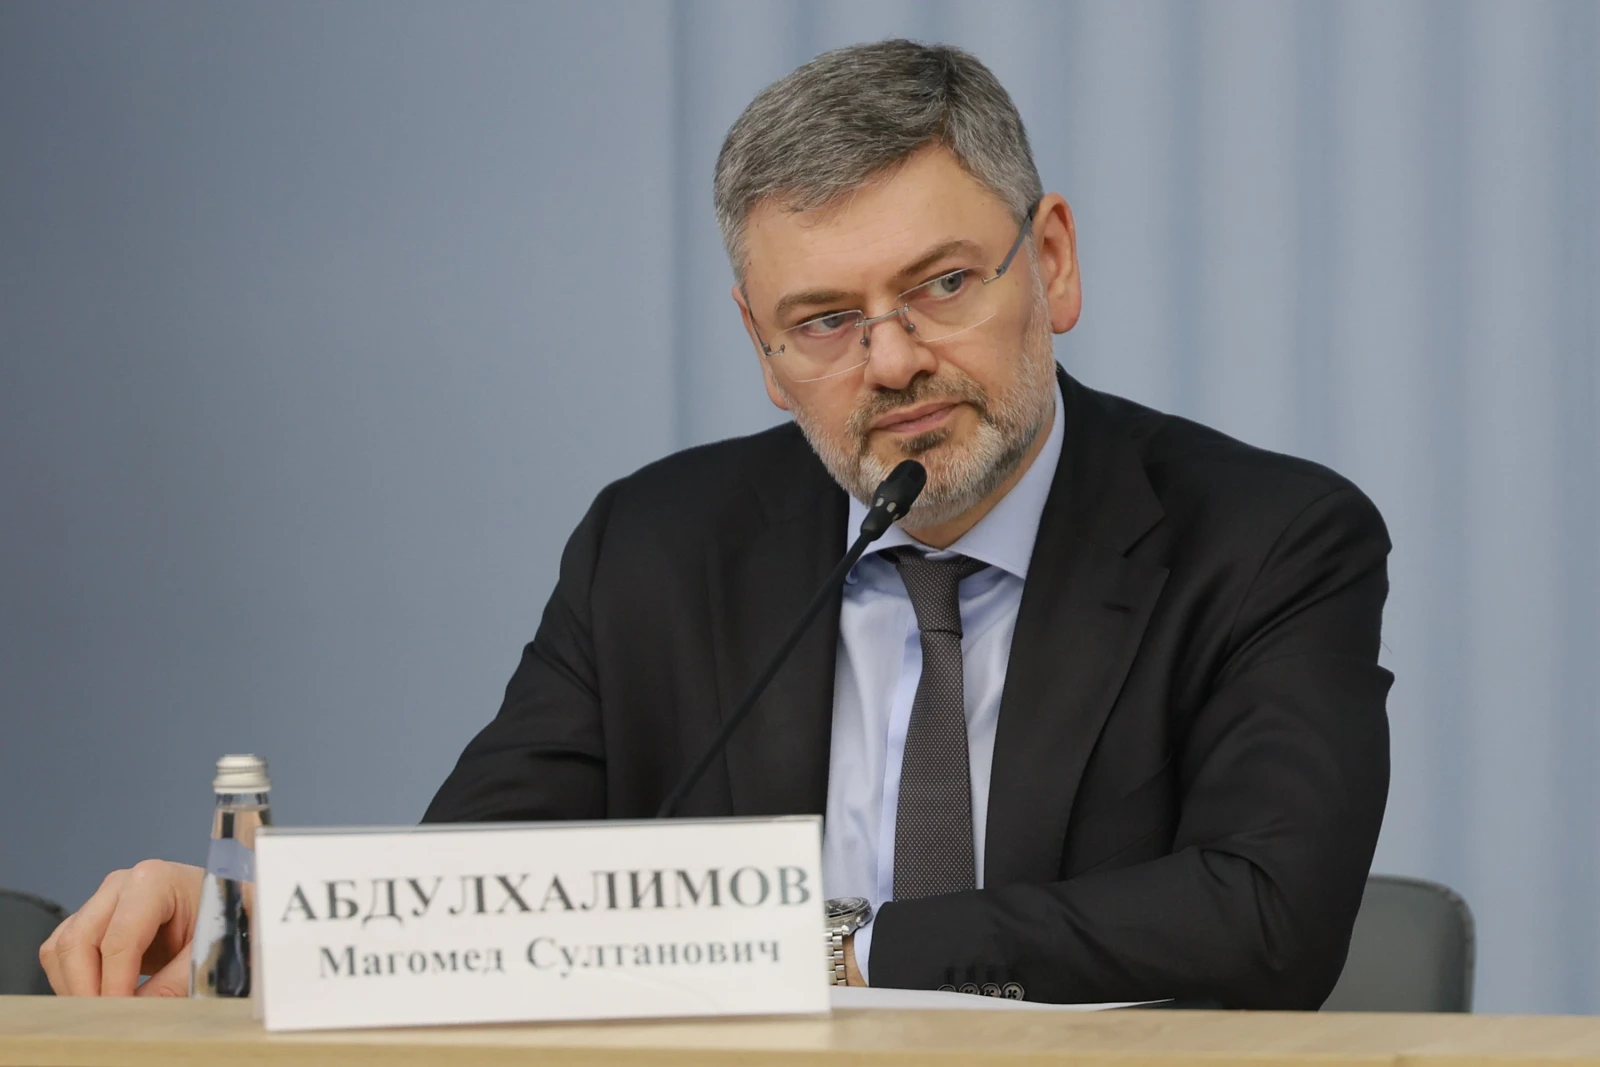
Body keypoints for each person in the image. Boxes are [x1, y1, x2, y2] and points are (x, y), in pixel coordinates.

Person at [39, 39, 1390, 1008]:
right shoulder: (661, 546)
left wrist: (840, 947)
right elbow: (479, 892)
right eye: (825, 321)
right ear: (760, 343)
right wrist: (259, 922)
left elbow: (1263, 920)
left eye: (941, 285)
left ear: (1051, 264)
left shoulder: (1265, 538)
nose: (894, 360)